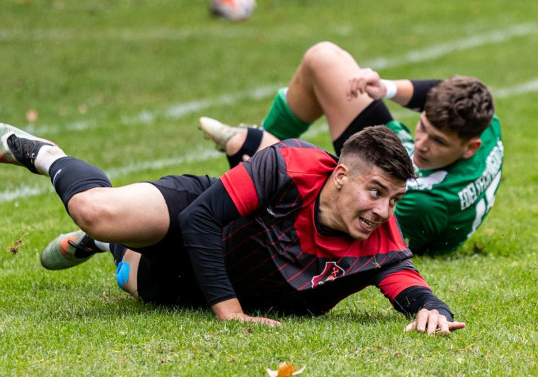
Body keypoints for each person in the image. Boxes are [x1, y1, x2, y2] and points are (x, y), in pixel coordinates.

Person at [0, 122, 464, 334]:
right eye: (375, 191)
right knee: (98, 211)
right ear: (339, 175)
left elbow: (409, 284)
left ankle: (109, 245)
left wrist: (432, 312)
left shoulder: (381, 237)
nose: (383, 211)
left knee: (133, 281)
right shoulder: (292, 163)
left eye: (394, 199)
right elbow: (200, 219)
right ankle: (42, 153)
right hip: (199, 212)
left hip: (189, 279)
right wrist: (231, 314)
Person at [197, 41, 504, 256]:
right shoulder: (484, 122)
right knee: (323, 58)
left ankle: (251, 163)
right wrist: (386, 88)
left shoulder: (420, 203)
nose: (422, 144)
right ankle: (268, 136)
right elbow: (440, 91)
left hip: (396, 184)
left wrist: (267, 166)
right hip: (400, 161)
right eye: (423, 126)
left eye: (438, 142)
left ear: (469, 148)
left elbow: (333, 210)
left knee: (246, 145)